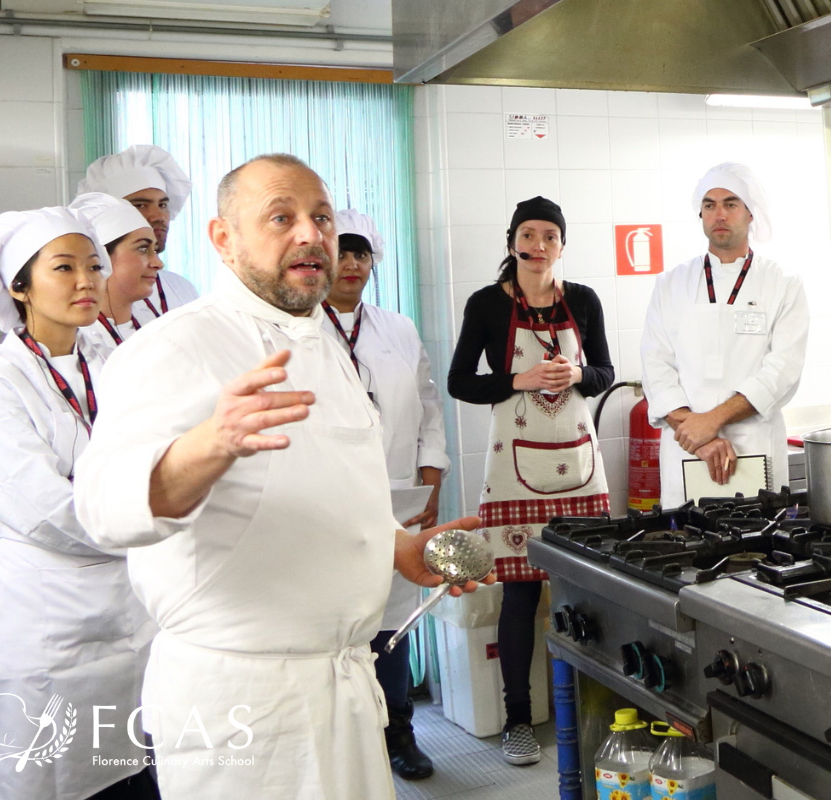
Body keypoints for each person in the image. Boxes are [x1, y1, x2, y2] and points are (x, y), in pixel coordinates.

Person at [71, 153, 487, 799]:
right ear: (222, 238)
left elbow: (326, 483)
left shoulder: (320, 341)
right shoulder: (176, 345)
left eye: (320, 217)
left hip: (343, 689)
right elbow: (103, 507)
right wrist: (210, 445)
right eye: (280, 217)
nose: (310, 234)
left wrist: (393, 547)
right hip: (247, 705)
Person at [0, 207, 156, 799]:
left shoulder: (114, 365)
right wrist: (153, 513)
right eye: (63, 267)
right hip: (46, 629)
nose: (85, 281)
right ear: (19, 286)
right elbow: (45, 510)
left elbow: (154, 459)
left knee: (132, 775)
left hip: (130, 619)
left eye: (95, 265)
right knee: (39, 782)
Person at [448, 196, 613, 766]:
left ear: (562, 244)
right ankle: (518, 719)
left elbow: (606, 374)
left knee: (586, 587)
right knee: (518, 592)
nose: (538, 244)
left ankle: (600, 707)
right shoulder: (487, 306)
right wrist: (516, 377)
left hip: (578, 466)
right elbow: (459, 383)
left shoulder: (584, 301)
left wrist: (579, 374)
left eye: (549, 235)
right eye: (528, 233)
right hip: (513, 465)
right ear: (512, 241)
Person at [322, 209, 449, 779]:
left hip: (400, 495)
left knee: (393, 619)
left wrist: (432, 477)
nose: (352, 264)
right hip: (331, 502)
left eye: (362, 254)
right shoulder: (299, 329)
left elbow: (427, 410)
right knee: (337, 616)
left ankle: (398, 730)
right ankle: (348, 738)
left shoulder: (397, 328)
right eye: (342, 253)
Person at [640, 162, 809, 507]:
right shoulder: (671, 283)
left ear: (750, 214)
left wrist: (712, 420)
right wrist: (698, 437)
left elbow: (782, 372)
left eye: (731, 204)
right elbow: (656, 367)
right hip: (687, 452)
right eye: (709, 205)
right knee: (685, 550)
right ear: (700, 215)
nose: (719, 214)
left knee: (756, 549)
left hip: (754, 450)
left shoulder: (783, 284)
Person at [78, 144, 197, 325]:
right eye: (140, 205)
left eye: (163, 205)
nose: (158, 216)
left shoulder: (181, 288)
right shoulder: (80, 298)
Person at [69, 192, 165, 351]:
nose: (158, 263)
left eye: (154, 249)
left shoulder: (155, 327)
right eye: (142, 248)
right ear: (101, 257)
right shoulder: (74, 343)